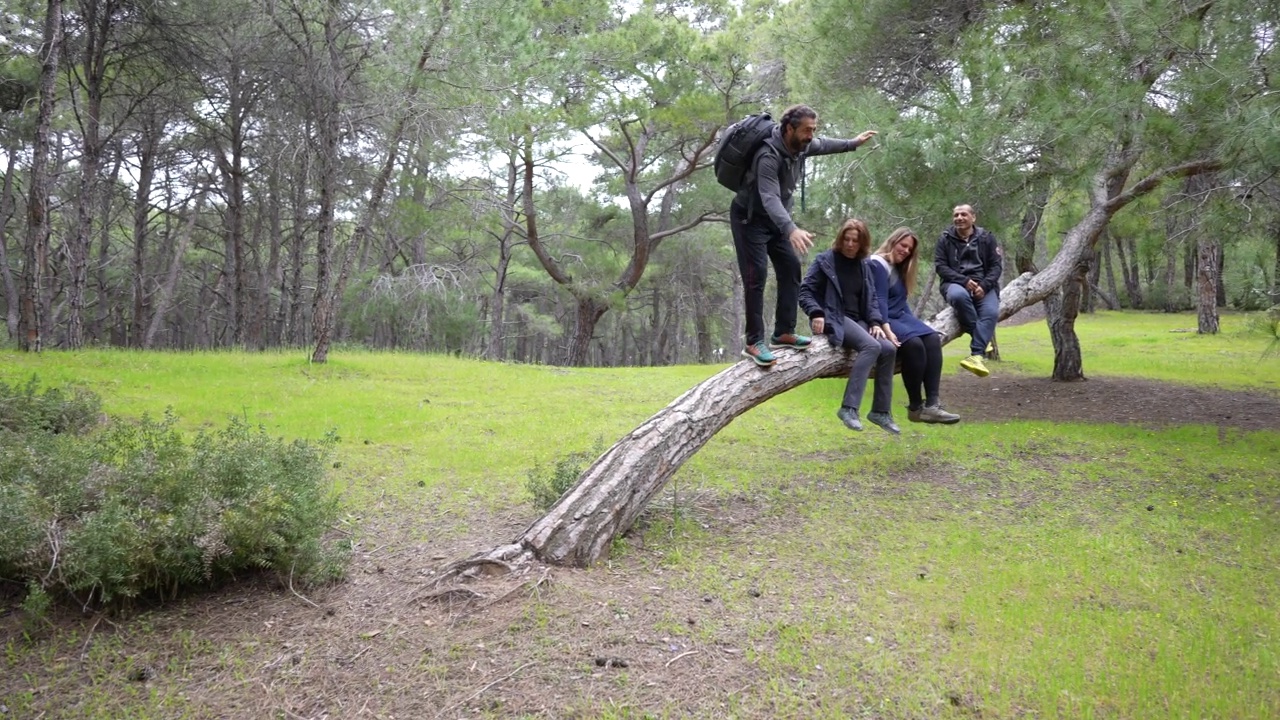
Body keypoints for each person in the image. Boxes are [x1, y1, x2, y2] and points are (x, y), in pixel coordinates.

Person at [730, 104, 878, 367]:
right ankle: (754, 341)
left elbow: (824, 144)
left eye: (814, 129)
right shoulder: (768, 155)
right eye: (807, 130)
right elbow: (768, 197)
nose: (811, 135)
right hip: (749, 220)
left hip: (778, 222)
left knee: (790, 268)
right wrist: (791, 229)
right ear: (789, 129)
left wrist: (852, 143)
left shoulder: (802, 146)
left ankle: (783, 332)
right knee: (756, 278)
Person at [799, 219, 899, 434]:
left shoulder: (863, 265)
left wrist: (874, 321)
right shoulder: (825, 260)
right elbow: (805, 291)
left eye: (855, 240)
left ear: (862, 243)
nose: (850, 244)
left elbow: (871, 298)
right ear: (840, 238)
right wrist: (816, 312)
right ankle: (849, 408)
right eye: (847, 239)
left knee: (889, 349)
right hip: (833, 316)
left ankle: (880, 412)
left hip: (859, 320)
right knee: (872, 347)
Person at [869, 228, 961, 424]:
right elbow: (879, 300)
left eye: (909, 249)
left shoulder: (900, 268)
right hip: (882, 317)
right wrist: (885, 328)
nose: (905, 251)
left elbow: (901, 303)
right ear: (893, 241)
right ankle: (916, 407)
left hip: (899, 316)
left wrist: (918, 325)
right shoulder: (877, 264)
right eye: (903, 245)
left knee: (932, 338)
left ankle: (933, 405)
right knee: (914, 344)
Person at [935, 204, 1002, 377]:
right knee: (958, 296)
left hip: (984, 285)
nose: (959, 218)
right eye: (956, 215)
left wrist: (984, 286)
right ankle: (981, 337)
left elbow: (996, 267)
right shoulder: (945, 239)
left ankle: (976, 356)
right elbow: (941, 267)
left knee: (991, 312)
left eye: (963, 214)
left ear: (973, 217)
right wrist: (964, 281)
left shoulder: (986, 238)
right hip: (954, 283)